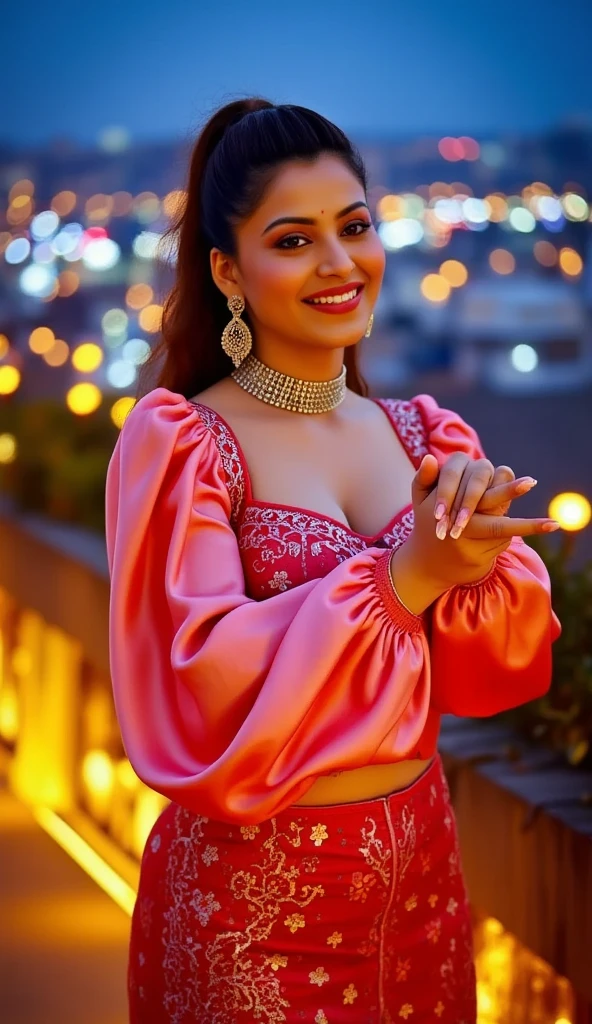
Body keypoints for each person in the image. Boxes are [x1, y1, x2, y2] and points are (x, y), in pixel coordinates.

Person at [105, 98, 561, 1024]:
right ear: (229, 271)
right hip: (251, 908)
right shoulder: (186, 442)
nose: (338, 263)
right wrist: (406, 578)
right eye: (294, 239)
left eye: (353, 227)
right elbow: (197, 680)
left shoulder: (421, 434)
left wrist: (476, 562)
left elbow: (488, 675)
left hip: (421, 885)